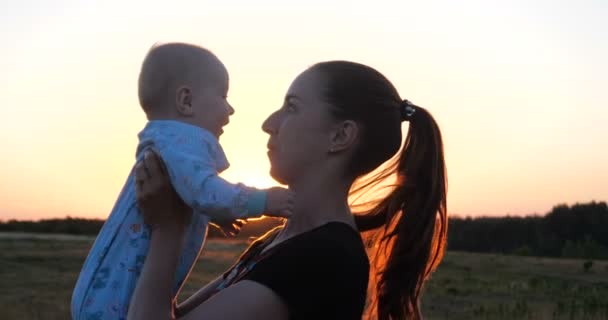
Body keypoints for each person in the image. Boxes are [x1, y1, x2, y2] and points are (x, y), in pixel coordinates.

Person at [128, 60, 448, 320]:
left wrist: (168, 229)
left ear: (340, 136)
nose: (269, 123)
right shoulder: (279, 241)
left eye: (291, 107)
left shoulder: (326, 257)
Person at [71, 42, 294, 320]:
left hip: (107, 297)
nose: (231, 109)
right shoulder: (184, 142)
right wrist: (264, 200)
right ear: (186, 101)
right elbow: (203, 190)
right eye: (223, 96)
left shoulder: (170, 143)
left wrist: (216, 213)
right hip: (118, 303)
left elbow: (189, 193)